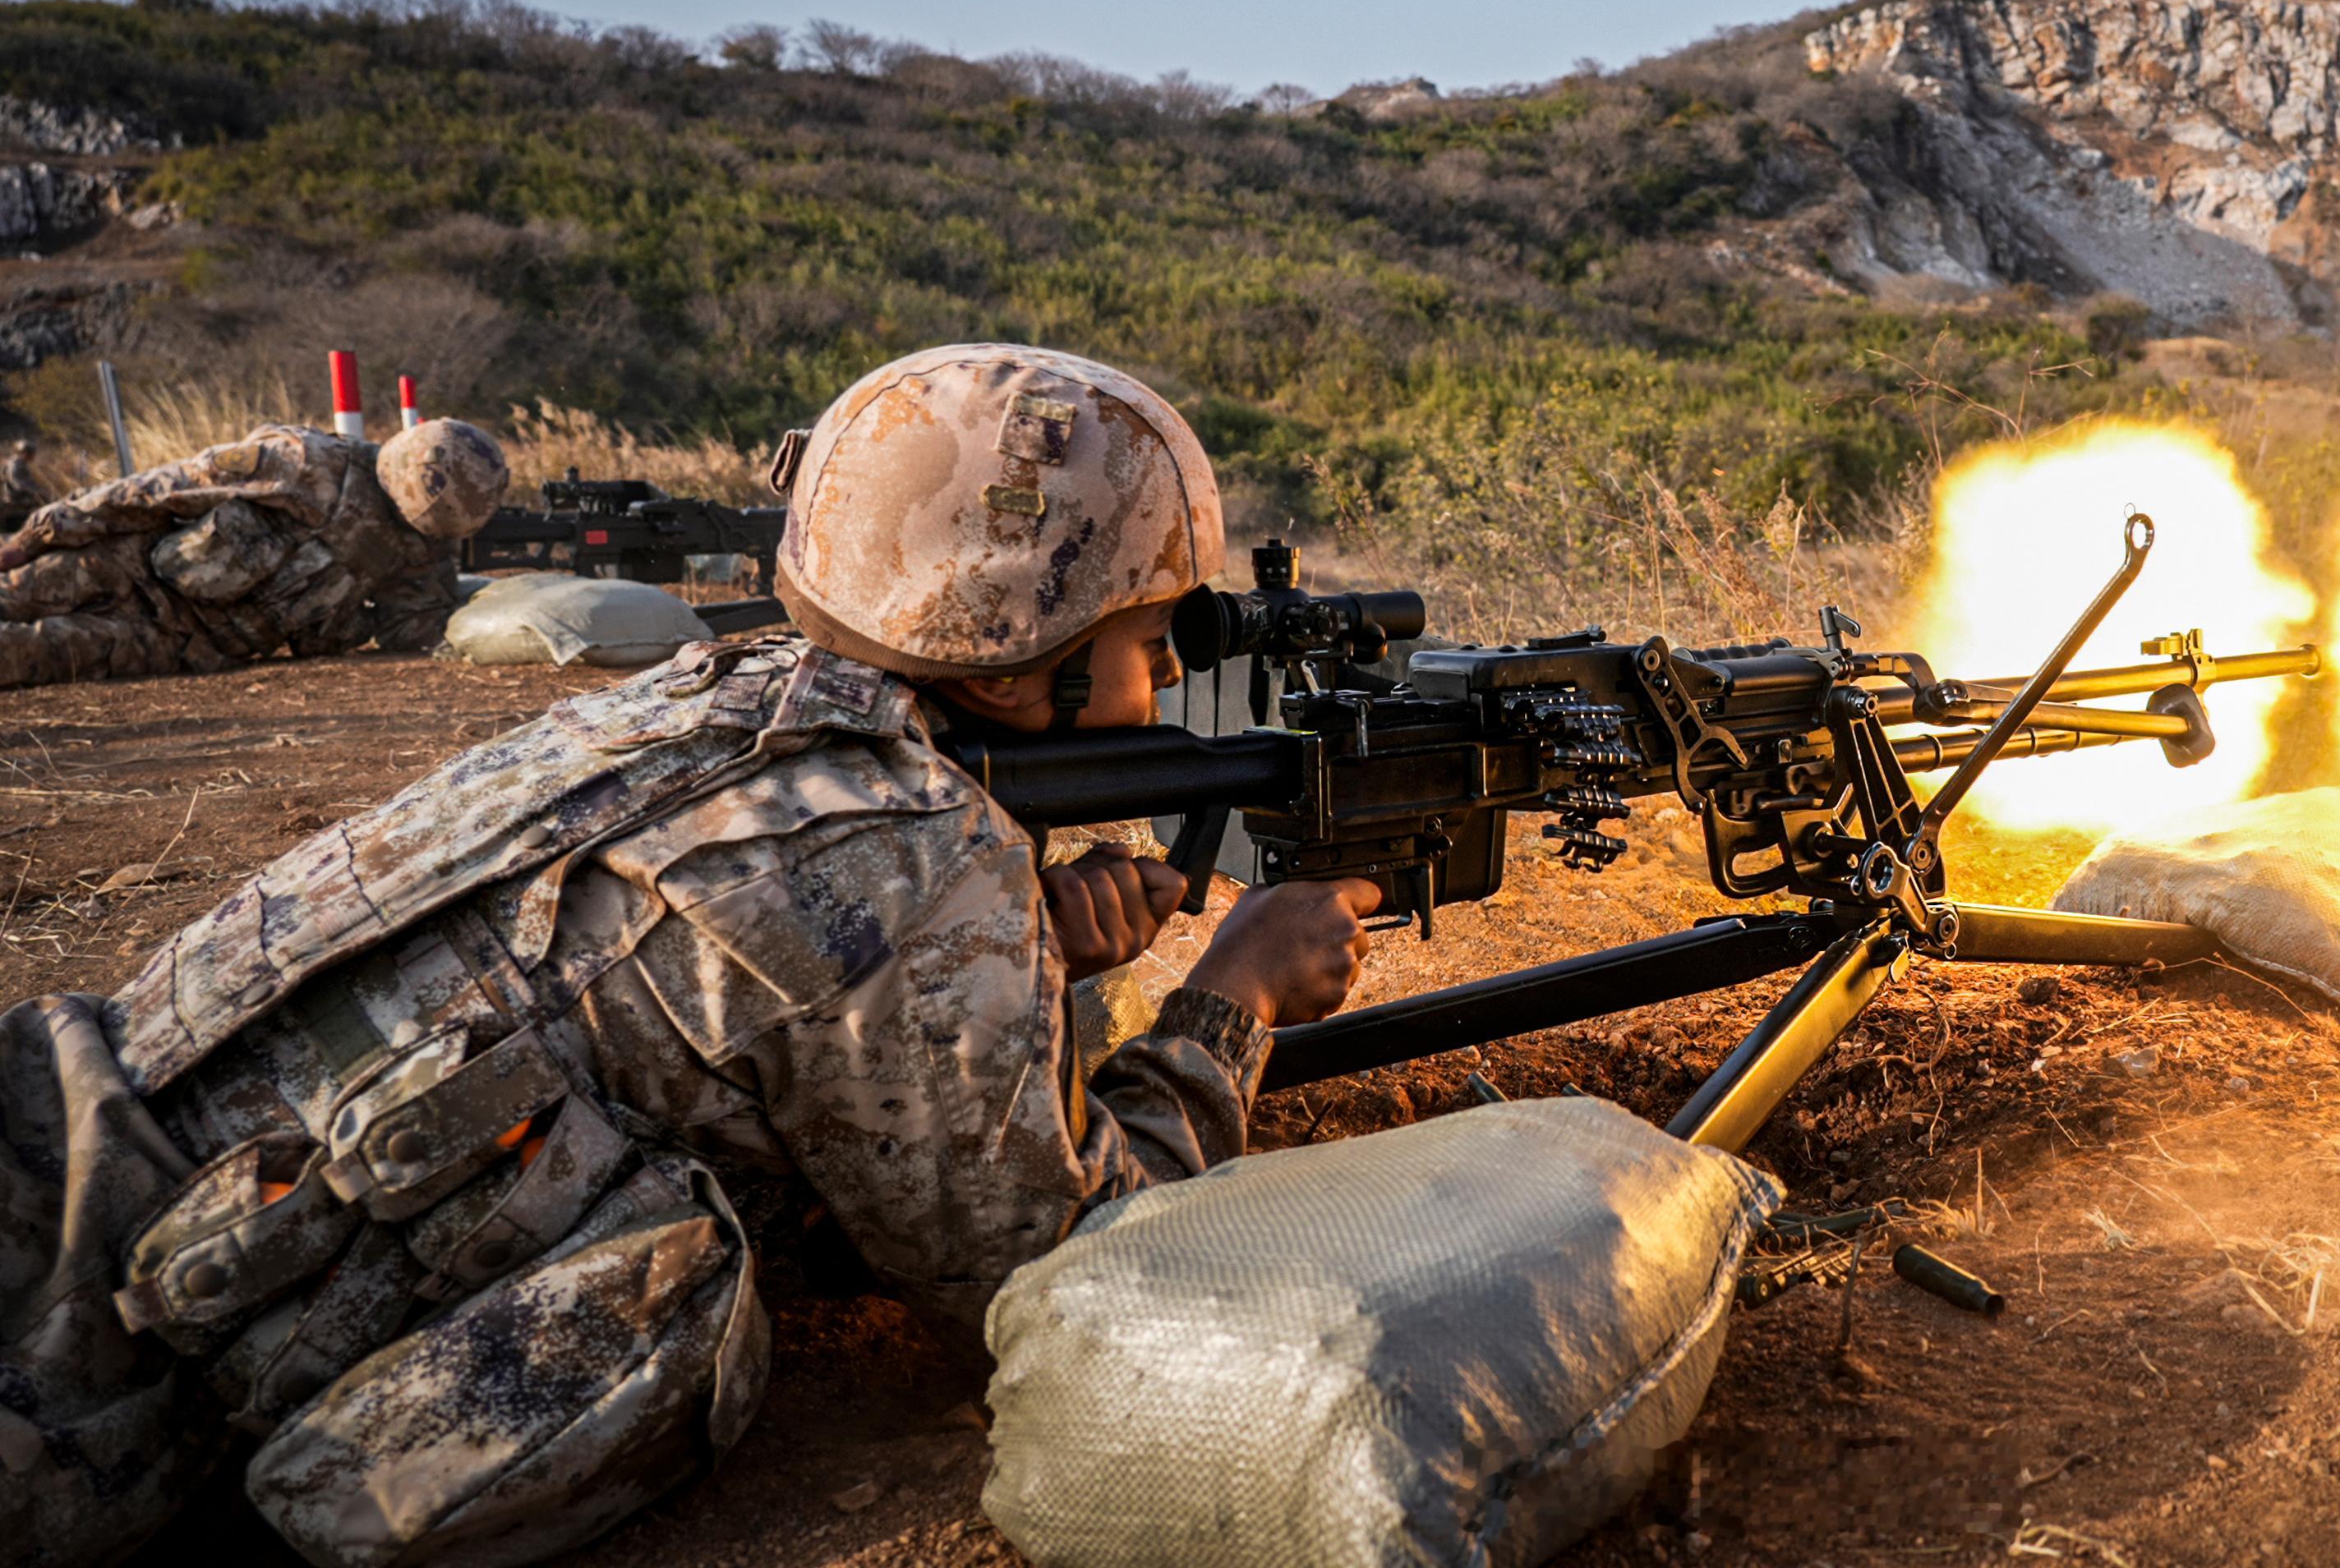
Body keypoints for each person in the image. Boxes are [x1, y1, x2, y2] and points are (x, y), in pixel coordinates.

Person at [0, 345, 1377, 1567]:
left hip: (66, 1130)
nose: (1165, 678)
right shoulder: (909, 852)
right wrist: (1232, 997)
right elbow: (1052, 1283)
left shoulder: (717, 695)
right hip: (88, 1390)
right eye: (1148, 639)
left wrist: (1024, 947)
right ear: (1024, 663)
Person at [0, 416, 507, 688]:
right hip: (124, 565)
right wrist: (39, 535)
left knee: (27, 656)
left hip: (184, 642)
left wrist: (490, 612)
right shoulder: (309, 462)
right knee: (11, 595)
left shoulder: (420, 549)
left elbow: (409, 628)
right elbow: (160, 489)